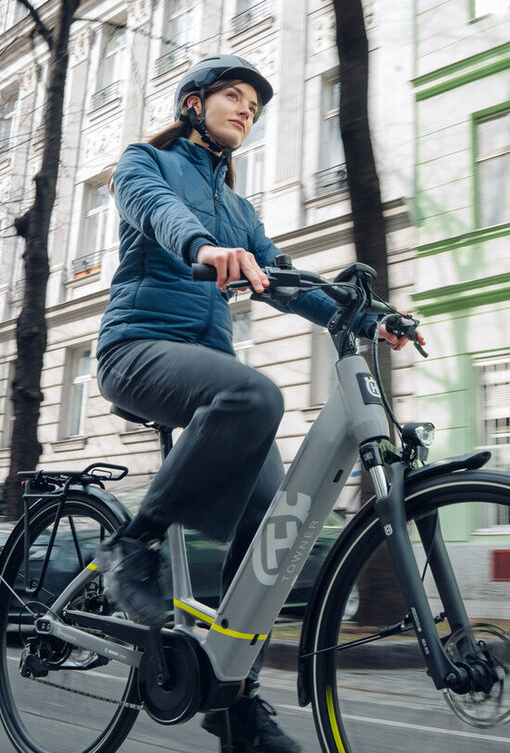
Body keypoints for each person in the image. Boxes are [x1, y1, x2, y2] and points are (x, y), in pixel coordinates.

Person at [93, 54, 421, 753]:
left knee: (280, 529)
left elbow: (289, 282)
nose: (246, 110)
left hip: (203, 370)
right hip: (135, 350)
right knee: (255, 394)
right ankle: (132, 546)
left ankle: (233, 704)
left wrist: (372, 319)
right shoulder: (142, 164)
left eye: (254, 105)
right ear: (192, 104)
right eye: (233, 96)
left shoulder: (240, 210)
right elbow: (155, 213)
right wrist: (205, 247)